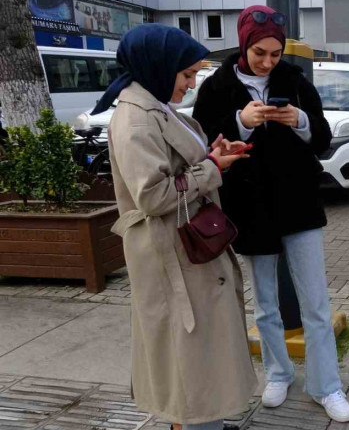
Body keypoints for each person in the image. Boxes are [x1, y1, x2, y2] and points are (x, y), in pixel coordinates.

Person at [192, 5, 349, 423]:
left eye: (275, 54)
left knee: (315, 303)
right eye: (259, 53)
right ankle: (278, 373)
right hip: (250, 208)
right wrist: (240, 122)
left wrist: (300, 119)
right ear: (244, 44)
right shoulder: (217, 87)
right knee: (265, 304)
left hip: (298, 204)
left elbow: (320, 136)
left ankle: (326, 385)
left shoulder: (296, 82)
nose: (267, 62)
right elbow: (201, 142)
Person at [99, 24, 257, 430]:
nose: (190, 84)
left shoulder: (155, 104)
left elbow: (176, 164)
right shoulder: (136, 119)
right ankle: (197, 423)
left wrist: (212, 152)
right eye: (186, 75)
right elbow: (152, 196)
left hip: (187, 243)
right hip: (172, 250)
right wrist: (212, 168)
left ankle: (205, 422)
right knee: (190, 353)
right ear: (158, 66)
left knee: (201, 349)